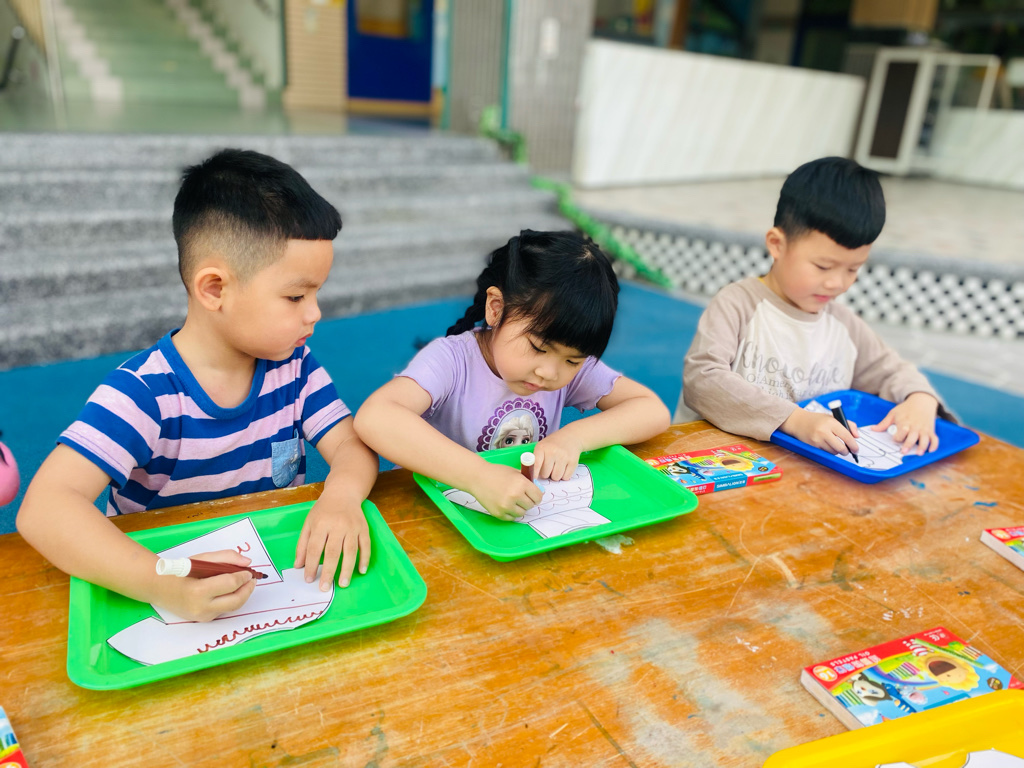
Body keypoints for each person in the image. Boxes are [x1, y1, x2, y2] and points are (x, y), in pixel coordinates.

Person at [17, 149, 378, 621]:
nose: (315, 313)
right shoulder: (143, 394)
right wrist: (158, 582)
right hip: (158, 597)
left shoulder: (295, 368)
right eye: (295, 296)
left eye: (316, 292)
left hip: (271, 579)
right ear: (214, 289)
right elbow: (45, 508)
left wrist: (342, 496)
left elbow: (352, 446)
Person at [354, 230, 670, 520]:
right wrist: (478, 476)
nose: (549, 373)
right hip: (429, 515)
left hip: (510, 522)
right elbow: (376, 417)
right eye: (538, 347)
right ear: (496, 308)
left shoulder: (566, 365)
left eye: (573, 361)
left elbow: (651, 410)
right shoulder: (452, 361)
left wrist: (574, 437)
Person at [678, 156, 949, 458]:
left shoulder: (843, 326)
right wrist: (794, 420)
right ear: (777, 244)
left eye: (853, 269)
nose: (837, 283)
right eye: (823, 266)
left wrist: (920, 399)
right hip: (714, 464)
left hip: (796, 474)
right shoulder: (738, 305)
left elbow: (892, 372)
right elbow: (702, 380)